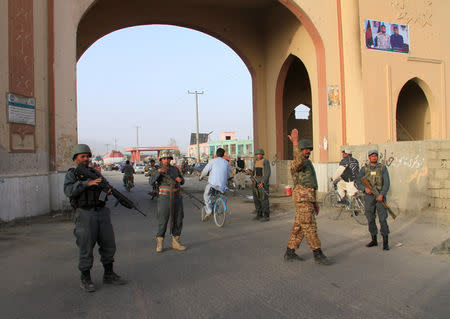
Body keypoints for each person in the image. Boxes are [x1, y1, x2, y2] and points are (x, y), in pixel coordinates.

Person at [64, 144, 126, 292]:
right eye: (82, 156)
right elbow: (68, 191)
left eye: (87, 156)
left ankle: (109, 274)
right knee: (86, 246)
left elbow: (104, 187)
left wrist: (108, 190)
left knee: (108, 244)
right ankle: (85, 278)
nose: (86, 159)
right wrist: (86, 183)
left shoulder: (95, 172)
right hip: (85, 214)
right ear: (76, 158)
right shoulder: (73, 174)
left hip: (101, 212)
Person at [284, 129, 331, 265]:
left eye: (309, 150)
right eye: (305, 150)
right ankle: (318, 253)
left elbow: (312, 184)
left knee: (299, 226)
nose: (307, 152)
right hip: (302, 198)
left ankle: (290, 252)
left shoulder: (308, 164)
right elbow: (297, 160)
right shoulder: (297, 164)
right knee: (309, 225)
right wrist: (295, 144)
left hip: (308, 199)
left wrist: (315, 202)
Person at [149, 150, 186, 253]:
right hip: (164, 197)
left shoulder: (175, 169)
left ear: (170, 160)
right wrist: (158, 173)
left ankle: (175, 242)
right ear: (161, 160)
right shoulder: (157, 169)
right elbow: (151, 181)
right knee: (163, 219)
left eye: (168, 159)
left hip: (177, 196)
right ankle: (160, 242)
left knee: (178, 218)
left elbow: (182, 181)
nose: (166, 161)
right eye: (164, 159)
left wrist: (180, 180)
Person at [356, 150, 391, 250]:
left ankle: (385, 242)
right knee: (370, 218)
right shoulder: (364, 169)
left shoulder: (382, 168)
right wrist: (364, 189)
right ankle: (374, 239)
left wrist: (382, 194)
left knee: (382, 219)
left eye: (375, 156)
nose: (374, 157)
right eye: (372, 156)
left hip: (380, 196)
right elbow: (358, 181)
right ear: (369, 157)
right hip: (369, 197)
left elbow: (387, 183)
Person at [199, 148, 231, 220]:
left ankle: (209, 211)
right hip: (222, 185)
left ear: (216, 154)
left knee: (206, 195)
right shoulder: (226, 162)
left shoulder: (212, 161)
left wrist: (201, 177)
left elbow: (205, 171)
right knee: (219, 194)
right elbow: (229, 173)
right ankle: (218, 205)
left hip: (212, 183)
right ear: (223, 155)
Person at [247, 148, 271, 222]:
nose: (258, 155)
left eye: (260, 154)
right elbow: (253, 172)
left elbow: (267, 173)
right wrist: (252, 177)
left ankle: (266, 216)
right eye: (257, 154)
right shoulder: (255, 162)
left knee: (264, 199)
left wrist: (263, 182)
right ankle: (259, 214)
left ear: (262, 154)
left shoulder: (265, 161)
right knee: (256, 199)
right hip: (256, 182)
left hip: (262, 182)